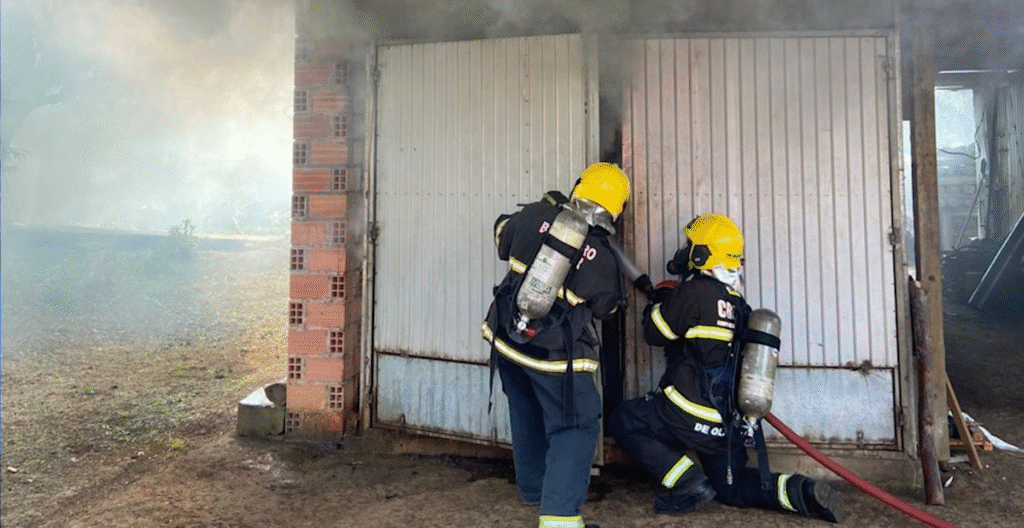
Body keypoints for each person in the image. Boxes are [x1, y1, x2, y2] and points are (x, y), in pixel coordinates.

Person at [607, 213, 844, 523]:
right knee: (733, 489)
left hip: (684, 412)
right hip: (723, 426)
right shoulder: (738, 304)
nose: (685, 249)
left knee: (623, 420)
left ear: (703, 253)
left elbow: (654, 333)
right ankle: (803, 491)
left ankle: (685, 480)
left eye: (691, 244)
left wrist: (659, 304)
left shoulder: (696, 291)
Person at [481, 162, 631, 528]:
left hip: (506, 341)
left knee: (525, 411)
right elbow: (606, 308)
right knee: (576, 426)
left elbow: (502, 234)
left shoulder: (536, 213)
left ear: (578, 187)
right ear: (615, 210)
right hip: (554, 359)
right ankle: (560, 516)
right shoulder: (603, 256)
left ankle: (534, 490)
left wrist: (542, 210)